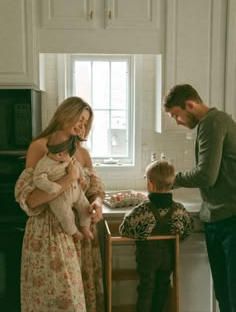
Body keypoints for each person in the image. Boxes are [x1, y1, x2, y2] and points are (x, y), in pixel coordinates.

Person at [15, 96, 105, 312]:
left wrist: (97, 204)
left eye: (86, 122)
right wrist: (67, 179)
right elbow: (30, 198)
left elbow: (94, 191)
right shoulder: (40, 147)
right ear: (66, 114)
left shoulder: (83, 153)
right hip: (49, 236)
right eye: (80, 119)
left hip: (81, 237)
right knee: (59, 302)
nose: (83, 125)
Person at [163, 84, 236, 312]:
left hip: (231, 220)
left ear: (190, 105)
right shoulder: (212, 122)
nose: (177, 121)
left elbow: (206, 174)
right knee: (225, 295)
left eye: (177, 115)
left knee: (231, 296)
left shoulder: (213, 122)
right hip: (218, 218)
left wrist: (170, 180)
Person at [119, 160, 193, 312]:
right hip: (168, 257)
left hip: (147, 258)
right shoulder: (179, 210)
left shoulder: (142, 211)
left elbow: (124, 229)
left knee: (146, 287)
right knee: (163, 286)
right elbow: (187, 230)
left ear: (150, 185)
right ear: (171, 185)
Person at [33, 131, 93, 240]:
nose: (72, 157)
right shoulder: (44, 164)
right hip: (60, 197)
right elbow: (38, 178)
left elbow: (78, 167)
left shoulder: (69, 158)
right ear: (59, 154)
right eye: (70, 154)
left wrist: (82, 177)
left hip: (77, 192)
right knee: (65, 215)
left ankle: (85, 227)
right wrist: (52, 187)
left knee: (86, 208)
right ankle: (74, 232)